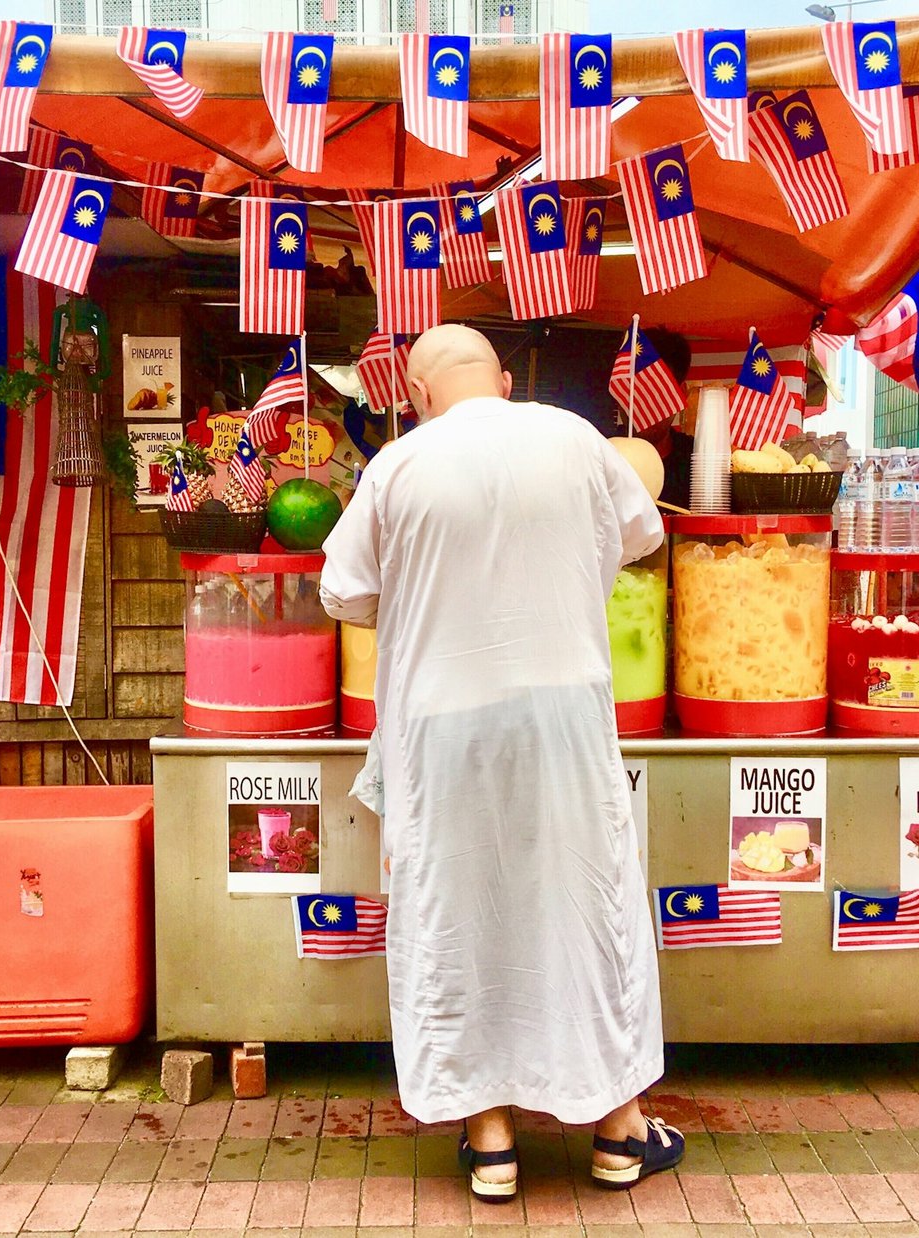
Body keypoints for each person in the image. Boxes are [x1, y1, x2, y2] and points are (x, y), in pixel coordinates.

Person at [320, 324, 683, 1202]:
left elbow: (343, 591)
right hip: (563, 714)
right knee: (586, 906)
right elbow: (641, 537)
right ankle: (618, 1132)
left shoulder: (399, 467)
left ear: (418, 394)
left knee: (459, 914)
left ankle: (491, 1145)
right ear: (503, 380)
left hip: (443, 728)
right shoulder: (575, 439)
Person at [621, 325, 695, 511]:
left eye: (657, 390)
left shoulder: (700, 462)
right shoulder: (598, 456)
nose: (644, 403)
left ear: (681, 394)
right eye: (633, 390)